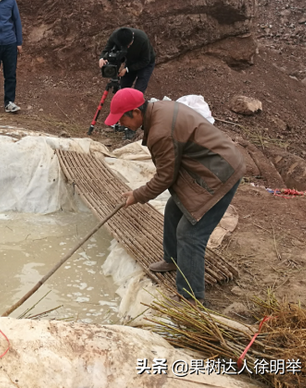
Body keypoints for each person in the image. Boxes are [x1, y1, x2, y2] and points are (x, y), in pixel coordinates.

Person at [104, 88, 245, 304]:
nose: (121, 124)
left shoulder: (160, 131)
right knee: (173, 210)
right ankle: (173, 260)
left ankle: (191, 299)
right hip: (206, 166)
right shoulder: (157, 109)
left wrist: (137, 195)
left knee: (189, 235)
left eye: (122, 118)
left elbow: (165, 178)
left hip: (220, 173)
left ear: (135, 112)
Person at [98, 27, 156, 93]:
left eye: (129, 45)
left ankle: (136, 102)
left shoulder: (142, 39)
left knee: (138, 90)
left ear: (132, 37)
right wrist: (101, 58)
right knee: (124, 87)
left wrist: (127, 69)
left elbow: (146, 60)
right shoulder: (115, 36)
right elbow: (106, 50)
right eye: (124, 46)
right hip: (130, 61)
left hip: (146, 63)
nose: (127, 47)